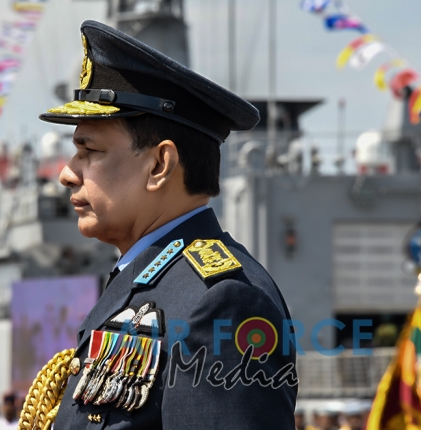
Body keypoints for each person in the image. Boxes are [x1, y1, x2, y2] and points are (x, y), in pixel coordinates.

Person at [23, 19, 297, 430]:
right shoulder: (148, 284)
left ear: (159, 165)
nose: (67, 173)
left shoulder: (222, 301)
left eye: (89, 151)